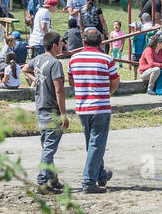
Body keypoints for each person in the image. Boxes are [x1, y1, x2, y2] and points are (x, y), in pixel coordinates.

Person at [67, 27, 119, 193]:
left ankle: (101, 175)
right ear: (101, 43)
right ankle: (89, 181)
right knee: (97, 144)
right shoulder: (106, 59)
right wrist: (106, 93)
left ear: (83, 42)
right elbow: (115, 82)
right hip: (100, 106)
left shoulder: (73, 59)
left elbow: (71, 82)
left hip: (82, 107)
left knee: (92, 143)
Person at [24, 31, 69, 194]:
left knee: (47, 147)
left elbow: (25, 69)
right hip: (52, 110)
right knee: (49, 149)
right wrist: (63, 114)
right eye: (61, 43)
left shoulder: (38, 59)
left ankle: (52, 179)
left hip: (40, 108)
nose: (63, 45)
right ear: (55, 45)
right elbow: (59, 91)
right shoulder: (55, 64)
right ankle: (42, 182)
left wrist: (35, 79)